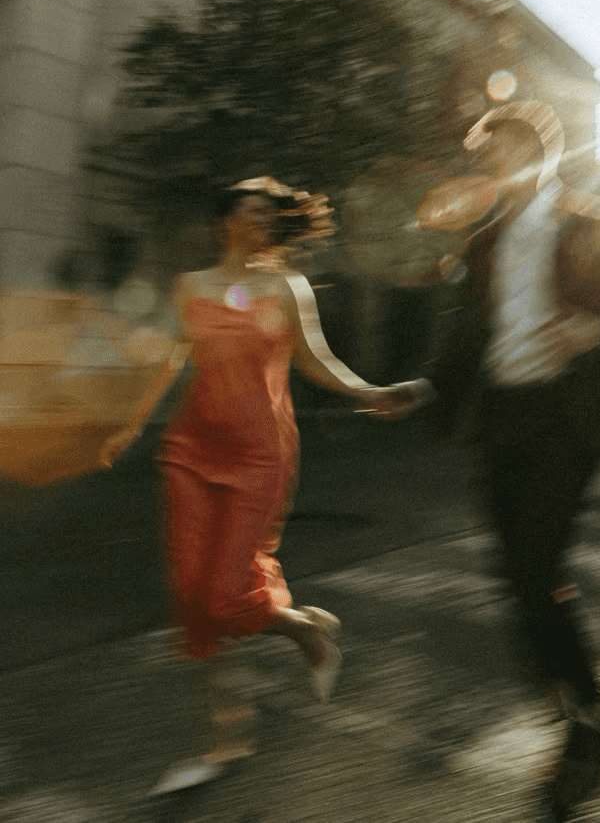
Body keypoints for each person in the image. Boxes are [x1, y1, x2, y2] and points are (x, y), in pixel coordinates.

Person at [404, 100, 600, 820]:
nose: (493, 166)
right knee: (521, 578)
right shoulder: (483, 245)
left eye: (505, 152)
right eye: (486, 156)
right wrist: (424, 387)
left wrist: (597, 330)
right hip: (503, 422)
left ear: (542, 155)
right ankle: (582, 710)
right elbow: (469, 343)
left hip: (568, 418)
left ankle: (584, 728)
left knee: (531, 563)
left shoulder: (592, 224)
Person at [100, 176, 397, 783]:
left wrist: (369, 393)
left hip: (261, 454)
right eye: (251, 209)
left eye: (269, 212)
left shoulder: (287, 287)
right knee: (192, 598)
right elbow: (167, 362)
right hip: (191, 450)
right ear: (225, 221)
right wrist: (127, 424)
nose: (263, 219)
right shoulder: (192, 287)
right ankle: (227, 737)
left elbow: (315, 358)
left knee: (229, 594)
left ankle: (306, 629)